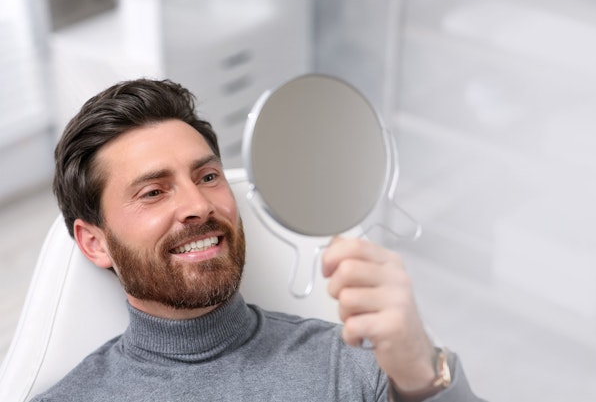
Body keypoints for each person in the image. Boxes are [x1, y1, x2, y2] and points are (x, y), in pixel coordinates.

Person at [33, 78, 481, 401]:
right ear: (95, 243)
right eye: (153, 192)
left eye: (208, 177)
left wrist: (422, 375)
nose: (198, 205)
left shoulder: (354, 366)